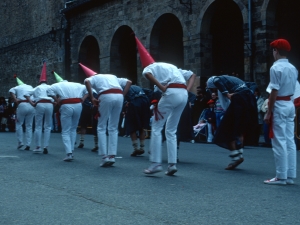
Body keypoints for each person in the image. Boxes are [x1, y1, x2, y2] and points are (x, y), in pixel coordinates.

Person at [142, 62, 196, 175]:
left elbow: (147, 73)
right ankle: (172, 164)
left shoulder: (150, 67)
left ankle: (156, 163)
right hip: (183, 94)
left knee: (156, 127)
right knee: (171, 130)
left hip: (171, 92)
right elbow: (192, 75)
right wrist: (188, 89)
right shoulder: (174, 68)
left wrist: (161, 87)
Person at [264, 39, 298, 185]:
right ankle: (290, 175)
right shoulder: (293, 68)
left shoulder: (275, 68)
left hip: (279, 104)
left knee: (279, 141)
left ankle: (280, 176)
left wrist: (268, 111)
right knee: (290, 140)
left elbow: (274, 90)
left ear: (276, 51)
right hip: (289, 103)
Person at [206, 75, 258, 170]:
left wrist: (227, 94)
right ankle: (239, 154)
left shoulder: (218, 80)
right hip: (248, 100)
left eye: (212, 89)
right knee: (239, 129)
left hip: (239, 100)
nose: (213, 92)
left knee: (226, 129)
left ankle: (235, 157)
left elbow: (217, 81)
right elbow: (253, 84)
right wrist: (250, 92)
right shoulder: (237, 81)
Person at [84, 74, 131, 167]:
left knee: (101, 126)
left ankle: (104, 156)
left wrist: (92, 97)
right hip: (119, 96)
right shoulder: (113, 76)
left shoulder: (94, 78)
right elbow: (129, 82)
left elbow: (87, 81)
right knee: (113, 127)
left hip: (105, 95)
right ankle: (112, 156)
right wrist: (123, 95)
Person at [47, 73, 88, 162]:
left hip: (66, 105)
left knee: (65, 130)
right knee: (73, 129)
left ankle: (68, 153)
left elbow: (49, 91)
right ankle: (71, 151)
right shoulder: (77, 84)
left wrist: (56, 99)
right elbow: (88, 90)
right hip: (78, 104)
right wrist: (83, 99)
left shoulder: (56, 85)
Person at [25, 62, 54, 154]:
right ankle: (46, 146)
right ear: (47, 81)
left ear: (39, 81)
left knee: (38, 126)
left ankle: (38, 146)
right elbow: (56, 95)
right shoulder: (50, 87)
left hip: (40, 104)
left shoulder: (36, 88)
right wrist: (55, 102)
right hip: (49, 104)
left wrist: (32, 103)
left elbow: (26, 94)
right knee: (48, 126)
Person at [121, 85, 151, 156]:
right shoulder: (137, 87)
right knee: (142, 126)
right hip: (145, 102)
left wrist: (125, 107)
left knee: (132, 126)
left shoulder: (123, 89)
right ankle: (142, 147)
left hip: (134, 103)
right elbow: (150, 92)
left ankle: (135, 148)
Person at [9, 75, 35, 150]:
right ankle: (28, 144)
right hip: (31, 104)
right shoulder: (30, 86)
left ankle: (20, 142)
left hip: (22, 104)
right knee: (29, 125)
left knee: (19, 123)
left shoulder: (18, 87)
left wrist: (16, 99)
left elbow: (11, 91)